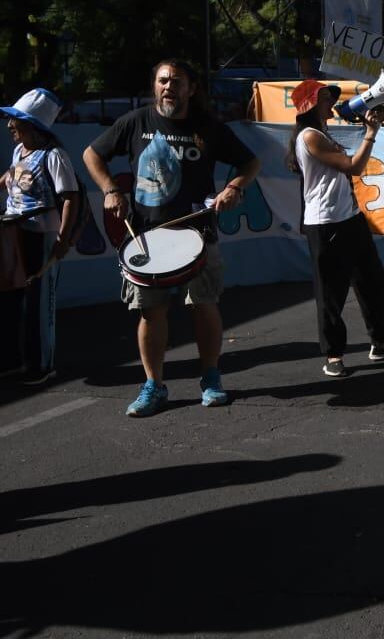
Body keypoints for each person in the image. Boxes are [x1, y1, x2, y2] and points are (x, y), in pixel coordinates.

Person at [84, 59, 261, 417]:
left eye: (176, 81)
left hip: (199, 235)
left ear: (191, 88)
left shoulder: (209, 127)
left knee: (204, 306)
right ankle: (154, 386)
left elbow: (250, 163)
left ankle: (211, 379)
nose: (168, 87)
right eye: (162, 80)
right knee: (151, 313)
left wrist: (235, 188)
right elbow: (92, 154)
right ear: (155, 86)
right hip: (147, 239)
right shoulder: (135, 123)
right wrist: (109, 190)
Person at [288, 80, 384, 377]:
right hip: (325, 225)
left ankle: (379, 339)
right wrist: (370, 134)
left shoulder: (321, 132)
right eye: (325, 98)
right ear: (310, 106)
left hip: (349, 218)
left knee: (374, 281)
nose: (331, 102)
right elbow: (353, 166)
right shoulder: (309, 137)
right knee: (331, 293)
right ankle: (333, 354)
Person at [1, 89, 81, 384]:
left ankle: (41, 366)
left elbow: (70, 197)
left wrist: (62, 239)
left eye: (15, 121)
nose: (9, 125)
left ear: (33, 125)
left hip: (42, 237)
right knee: (11, 299)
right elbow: (10, 177)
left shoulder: (54, 155)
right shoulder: (19, 151)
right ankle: (10, 361)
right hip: (15, 233)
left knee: (38, 302)